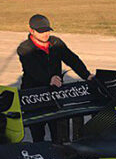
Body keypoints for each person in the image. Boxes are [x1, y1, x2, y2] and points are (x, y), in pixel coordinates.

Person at [16, 14, 94, 143]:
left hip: (55, 94)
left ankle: (60, 154)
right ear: (31, 31)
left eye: (47, 30)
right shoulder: (24, 49)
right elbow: (33, 69)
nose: (45, 34)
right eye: (41, 31)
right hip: (33, 96)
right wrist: (49, 79)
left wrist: (87, 75)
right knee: (38, 133)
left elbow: (72, 60)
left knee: (57, 132)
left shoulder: (56, 43)